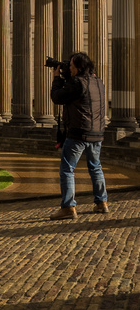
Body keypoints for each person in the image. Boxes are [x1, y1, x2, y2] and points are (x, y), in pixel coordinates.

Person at [50, 51, 110, 219]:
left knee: (67, 169)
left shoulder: (77, 83)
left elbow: (57, 97)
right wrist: (67, 79)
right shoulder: (98, 82)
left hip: (78, 133)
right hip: (97, 133)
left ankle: (68, 207)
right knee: (95, 167)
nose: (69, 68)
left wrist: (56, 78)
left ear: (78, 67)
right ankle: (102, 203)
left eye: (71, 66)